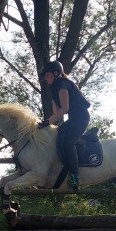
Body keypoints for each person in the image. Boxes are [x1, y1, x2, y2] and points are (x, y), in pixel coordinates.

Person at [38, 60, 90, 190]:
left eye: (48, 75)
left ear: (56, 73)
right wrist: (48, 124)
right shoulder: (53, 90)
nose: (46, 78)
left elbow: (65, 108)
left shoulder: (62, 84)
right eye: (45, 76)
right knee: (57, 137)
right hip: (73, 119)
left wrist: (47, 121)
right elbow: (57, 114)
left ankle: (74, 177)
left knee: (69, 143)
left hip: (81, 117)